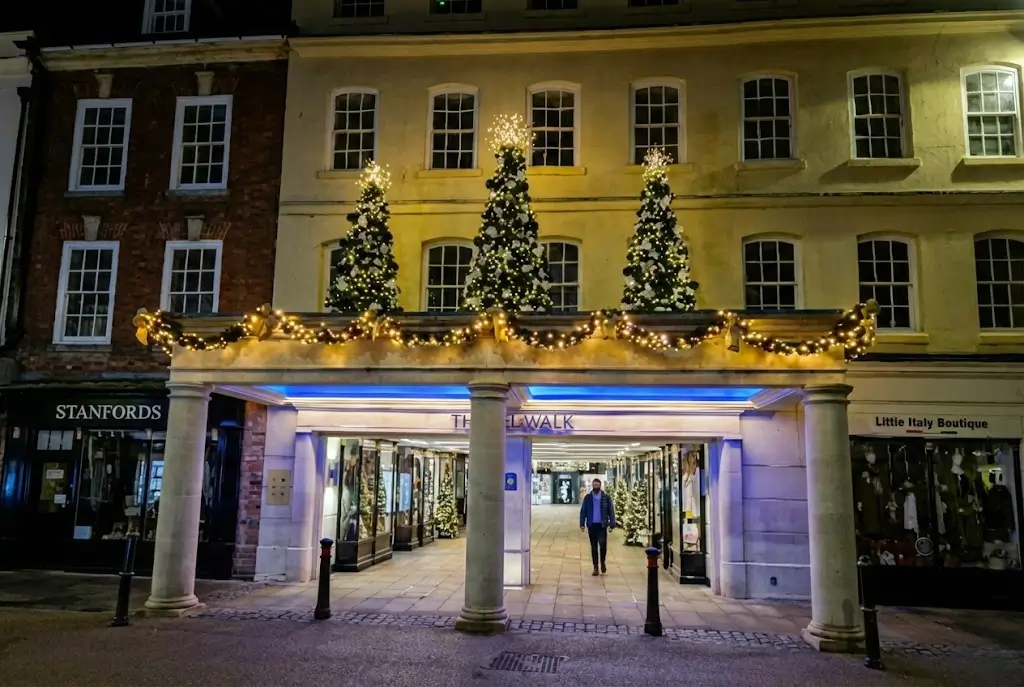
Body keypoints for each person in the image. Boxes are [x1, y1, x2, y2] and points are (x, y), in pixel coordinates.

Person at [580, 478, 616, 576]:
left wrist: (612, 523)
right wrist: (582, 524)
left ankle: (603, 563)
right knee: (594, 547)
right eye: (594, 485)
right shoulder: (588, 498)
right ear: (592, 485)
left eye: (597, 485)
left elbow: (611, 510)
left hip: (602, 525)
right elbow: (583, 511)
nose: (596, 486)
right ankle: (595, 567)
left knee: (603, 545)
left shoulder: (606, 497)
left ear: (600, 485)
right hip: (592, 525)